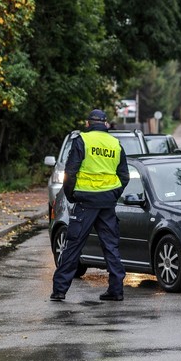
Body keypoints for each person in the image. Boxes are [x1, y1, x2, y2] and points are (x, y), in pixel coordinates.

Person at [51, 109, 130, 302]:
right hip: (107, 203)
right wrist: (113, 194)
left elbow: (70, 172)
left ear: (88, 124)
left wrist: (71, 195)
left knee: (73, 245)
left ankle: (60, 290)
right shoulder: (115, 144)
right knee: (111, 247)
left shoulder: (82, 140)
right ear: (106, 124)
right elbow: (124, 176)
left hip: (85, 202)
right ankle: (116, 290)